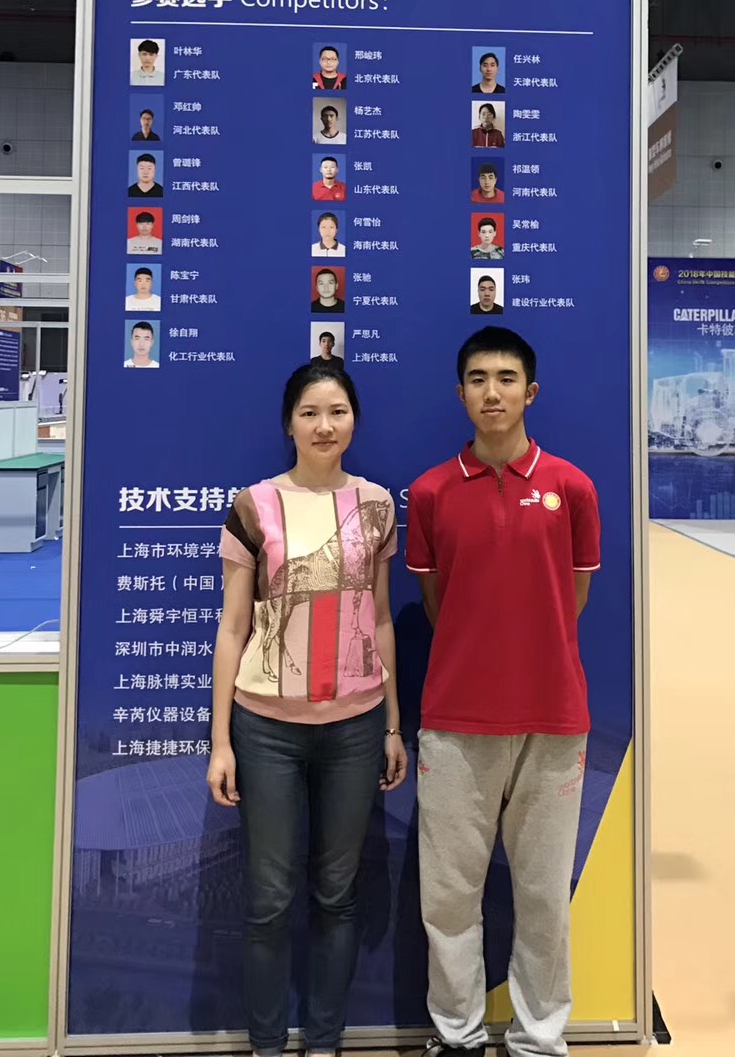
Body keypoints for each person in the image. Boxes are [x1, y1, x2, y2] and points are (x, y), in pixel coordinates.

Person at [406, 328, 600, 1057]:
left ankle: (539, 1039)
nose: (493, 392)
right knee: (448, 898)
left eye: (507, 378)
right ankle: (456, 1036)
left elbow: (573, 599)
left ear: (531, 392)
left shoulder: (573, 488)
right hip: (455, 721)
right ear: (460, 393)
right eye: (479, 379)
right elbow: (436, 602)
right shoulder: (431, 493)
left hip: (554, 719)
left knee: (545, 897)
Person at [207, 364, 406, 1057]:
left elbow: (381, 618)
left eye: (338, 412)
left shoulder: (376, 505)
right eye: (310, 413)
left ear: (355, 420)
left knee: (337, 894)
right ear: (288, 423)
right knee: (269, 898)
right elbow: (233, 628)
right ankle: (267, 1044)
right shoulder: (254, 506)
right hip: (266, 730)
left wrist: (392, 724)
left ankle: (324, 1040)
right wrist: (221, 741)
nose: (325, 426)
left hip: (355, 727)